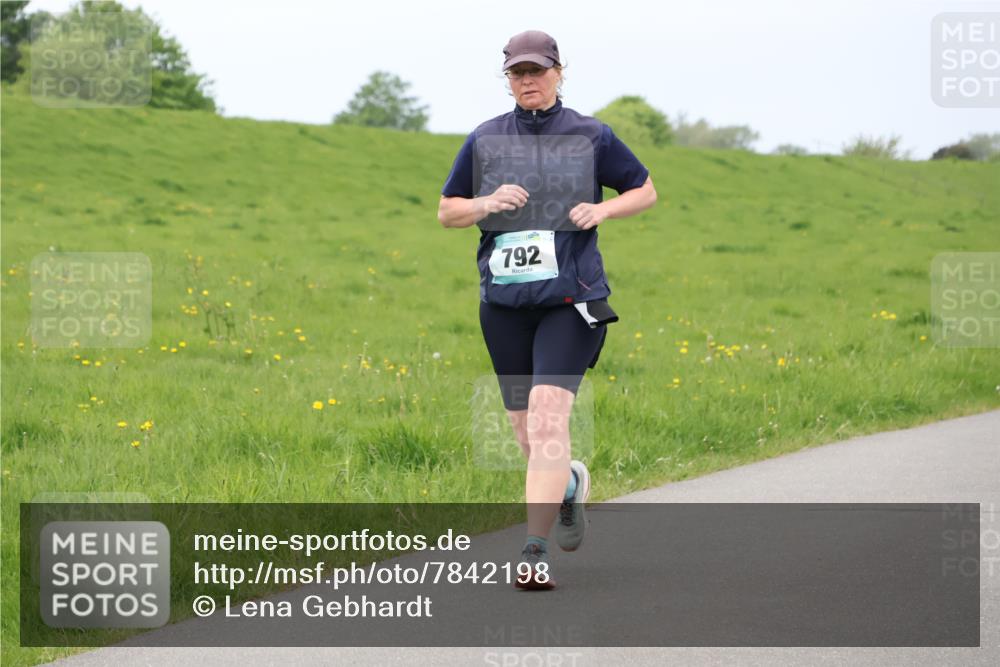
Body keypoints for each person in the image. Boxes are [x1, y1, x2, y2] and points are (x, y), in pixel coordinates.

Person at [437, 30, 657, 589]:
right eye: (517, 73)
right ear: (506, 78)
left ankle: (533, 552)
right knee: (525, 433)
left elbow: (644, 190)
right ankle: (565, 486)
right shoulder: (484, 140)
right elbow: (447, 211)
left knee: (549, 416)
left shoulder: (591, 135)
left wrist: (603, 212)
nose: (527, 80)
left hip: (572, 299)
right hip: (506, 304)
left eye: (537, 70)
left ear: (560, 71)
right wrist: (486, 203)